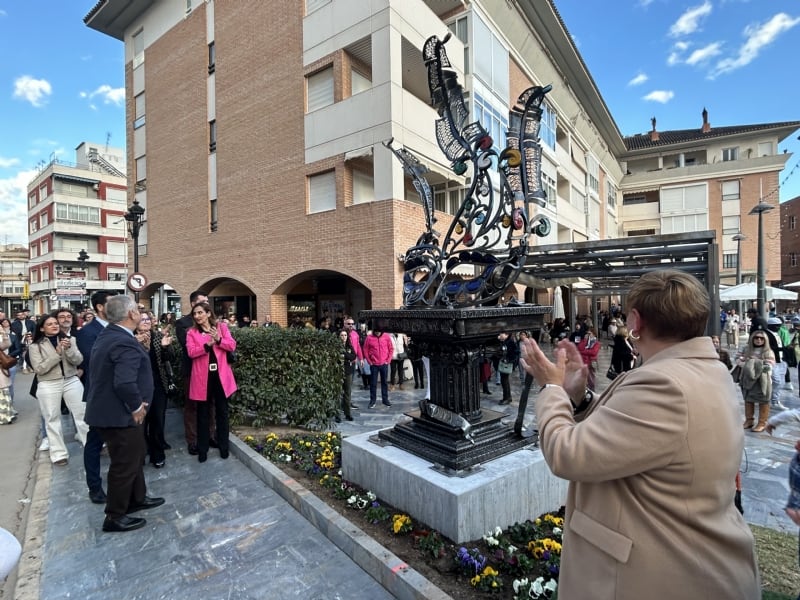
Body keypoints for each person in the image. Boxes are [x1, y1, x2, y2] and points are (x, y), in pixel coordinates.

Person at [518, 268, 760, 599]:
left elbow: (567, 454)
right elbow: (637, 436)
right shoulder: (706, 370)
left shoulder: (666, 384)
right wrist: (580, 397)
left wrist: (551, 388)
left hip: (657, 575)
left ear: (634, 321)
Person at [84, 295, 165, 533]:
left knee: (135, 456)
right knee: (124, 464)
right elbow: (124, 382)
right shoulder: (123, 341)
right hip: (120, 415)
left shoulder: (111, 334)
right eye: (138, 310)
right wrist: (136, 407)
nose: (141, 313)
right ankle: (115, 515)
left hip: (114, 412)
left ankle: (137, 498)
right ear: (131, 314)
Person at [28, 314, 87, 466]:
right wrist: (57, 353)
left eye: (55, 323)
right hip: (48, 383)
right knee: (52, 418)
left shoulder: (69, 340)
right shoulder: (35, 346)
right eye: (50, 324)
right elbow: (40, 369)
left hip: (71, 380)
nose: (54, 326)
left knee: (82, 413)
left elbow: (78, 360)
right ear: (42, 328)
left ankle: (90, 444)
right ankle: (59, 454)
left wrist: (67, 350)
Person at [76, 291, 116, 504]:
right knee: (95, 442)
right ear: (100, 307)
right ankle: (94, 486)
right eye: (111, 303)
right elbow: (94, 361)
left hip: (120, 394)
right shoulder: (87, 333)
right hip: (100, 395)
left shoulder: (119, 327)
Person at [185, 302, 237, 463]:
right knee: (203, 414)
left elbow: (232, 345)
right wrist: (207, 345)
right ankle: (203, 450)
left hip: (221, 377)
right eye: (195, 314)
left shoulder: (221, 327)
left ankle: (224, 447)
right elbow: (191, 352)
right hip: (202, 379)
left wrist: (219, 339)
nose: (197, 316)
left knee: (222, 412)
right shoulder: (191, 332)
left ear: (208, 313)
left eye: (200, 312)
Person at [175, 290, 213, 455]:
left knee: (210, 404)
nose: (206, 303)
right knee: (192, 406)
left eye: (206, 302)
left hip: (211, 369)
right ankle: (193, 440)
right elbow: (188, 346)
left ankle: (211, 435)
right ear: (192, 305)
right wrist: (207, 341)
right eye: (202, 301)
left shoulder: (212, 322)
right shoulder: (183, 324)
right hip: (191, 369)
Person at [135, 311, 174, 468]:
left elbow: (169, 358)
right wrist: (137, 343)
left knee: (157, 421)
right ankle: (141, 453)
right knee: (140, 424)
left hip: (158, 385)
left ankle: (157, 454)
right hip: (137, 387)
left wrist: (165, 348)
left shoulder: (158, 336)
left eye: (148, 319)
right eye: (142, 319)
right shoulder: (130, 339)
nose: (146, 322)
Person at [737, 330, 775, 432]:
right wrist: (748, 365)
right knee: (748, 399)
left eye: (761, 338)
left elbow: (770, 366)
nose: (758, 340)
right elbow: (738, 360)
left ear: (765, 340)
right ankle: (749, 421)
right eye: (756, 338)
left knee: (764, 400)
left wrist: (755, 363)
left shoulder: (768, 352)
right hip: (747, 378)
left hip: (763, 380)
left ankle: (762, 423)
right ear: (752, 339)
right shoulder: (746, 349)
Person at [363, 321, 393, 409]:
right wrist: (369, 361)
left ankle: (385, 400)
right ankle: (372, 401)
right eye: (375, 331)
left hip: (384, 364)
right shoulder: (369, 338)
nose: (377, 333)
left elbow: (391, 348)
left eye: (379, 331)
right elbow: (365, 350)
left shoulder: (386, 337)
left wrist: (388, 360)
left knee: (384, 383)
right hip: (374, 364)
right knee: (373, 383)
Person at [337, 329, 356, 422]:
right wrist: (347, 357)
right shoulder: (335, 346)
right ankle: (337, 415)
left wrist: (345, 354)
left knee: (347, 393)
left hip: (348, 372)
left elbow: (353, 356)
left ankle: (347, 414)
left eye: (345, 335)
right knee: (338, 394)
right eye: (342, 335)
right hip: (338, 372)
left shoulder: (349, 346)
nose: (343, 337)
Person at [577, 326, 601, 391]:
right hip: (583, 362)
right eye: (587, 333)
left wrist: (583, 352)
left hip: (591, 363)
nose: (588, 335)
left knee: (591, 378)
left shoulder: (596, 343)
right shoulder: (584, 341)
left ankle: (592, 390)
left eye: (590, 334)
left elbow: (593, 352)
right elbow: (579, 348)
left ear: (594, 334)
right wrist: (584, 340)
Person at [497, 331, 518, 405]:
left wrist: (509, 360)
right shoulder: (505, 341)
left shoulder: (511, 341)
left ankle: (507, 398)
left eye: (501, 334)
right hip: (504, 363)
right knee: (504, 381)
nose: (499, 335)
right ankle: (507, 397)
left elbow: (516, 352)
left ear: (506, 334)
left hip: (507, 364)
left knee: (505, 381)